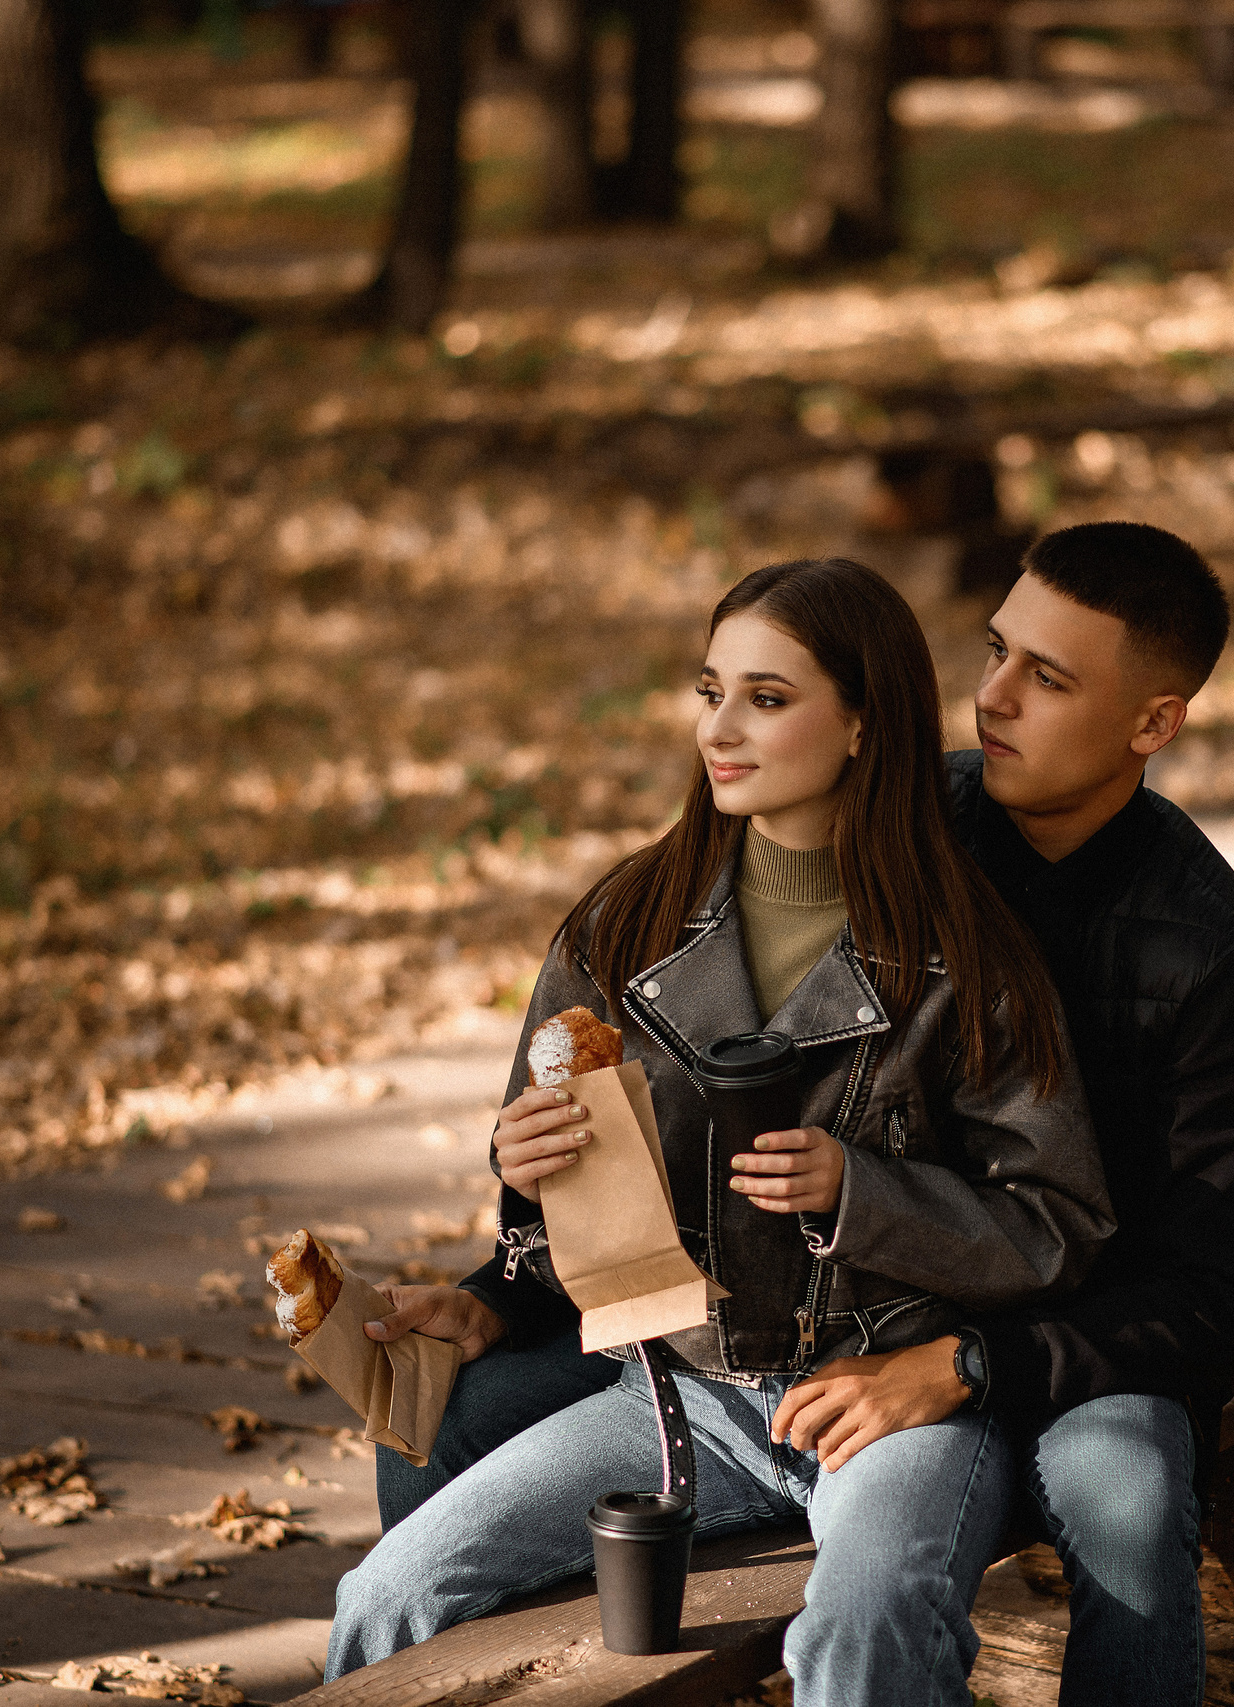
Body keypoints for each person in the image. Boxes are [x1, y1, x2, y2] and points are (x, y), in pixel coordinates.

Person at [326, 557, 1113, 1705]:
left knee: (863, 1623)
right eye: (710, 691)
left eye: (767, 697)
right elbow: (574, 1221)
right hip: (689, 1397)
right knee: (387, 1598)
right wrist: (518, 1204)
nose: (720, 727)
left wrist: (862, 1191)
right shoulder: (625, 921)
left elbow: (1058, 1222)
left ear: (860, 725)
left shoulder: (970, 954)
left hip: (892, 1397)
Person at [772, 521, 1234, 1707]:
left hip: (1086, 1353)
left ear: (1153, 724)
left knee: (1132, 1496)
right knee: (475, 1408)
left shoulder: (1206, 952)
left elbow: (1211, 1300)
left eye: (1047, 679)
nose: (990, 698)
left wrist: (968, 1366)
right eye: (996, 651)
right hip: (867, 1301)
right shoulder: (906, 825)